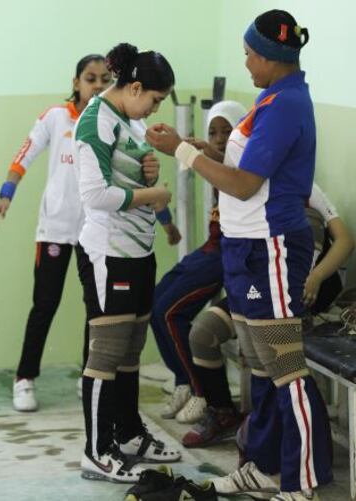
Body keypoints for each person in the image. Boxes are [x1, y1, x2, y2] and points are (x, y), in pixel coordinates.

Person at [146, 10, 334, 501]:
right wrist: (181, 145)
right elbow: (236, 162)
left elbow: (245, 185)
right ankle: (266, 466)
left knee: (285, 366)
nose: (246, 61)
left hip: (270, 249)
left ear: (271, 56)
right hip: (243, 251)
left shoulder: (287, 105)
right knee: (261, 364)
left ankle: (302, 479)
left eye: (250, 53)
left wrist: (184, 156)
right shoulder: (269, 99)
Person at [73, 43, 181, 484]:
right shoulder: (96, 120)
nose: (153, 107)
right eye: (154, 99)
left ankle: (130, 433)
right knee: (106, 354)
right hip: (109, 251)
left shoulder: (128, 120)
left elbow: (127, 172)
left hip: (138, 250)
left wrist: (148, 169)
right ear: (135, 87)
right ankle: (96, 451)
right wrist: (151, 195)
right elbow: (94, 195)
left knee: (131, 351)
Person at [182, 182, 354, 449]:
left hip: (294, 292)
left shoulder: (305, 187)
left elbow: (345, 239)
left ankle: (280, 437)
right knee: (203, 334)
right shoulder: (244, 181)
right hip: (255, 285)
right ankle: (223, 414)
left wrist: (317, 277)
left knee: (269, 357)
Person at [0, 55, 113, 412]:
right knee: (45, 304)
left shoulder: (109, 122)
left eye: (104, 79)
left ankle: (87, 376)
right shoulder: (55, 117)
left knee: (95, 308)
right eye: (90, 78)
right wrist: (6, 193)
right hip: (55, 230)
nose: (96, 84)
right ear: (76, 82)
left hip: (94, 231)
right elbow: (25, 154)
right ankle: (25, 378)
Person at [150, 100, 246, 425]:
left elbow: (234, 171)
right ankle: (182, 381)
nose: (220, 138)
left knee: (171, 311)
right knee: (156, 303)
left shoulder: (248, 166)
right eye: (213, 132)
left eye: (227, 131)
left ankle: (200, 392)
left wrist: (188, 150)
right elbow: (222, 161)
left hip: (228, 253)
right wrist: (202, 151)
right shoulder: (221, 160)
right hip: (211, 246)